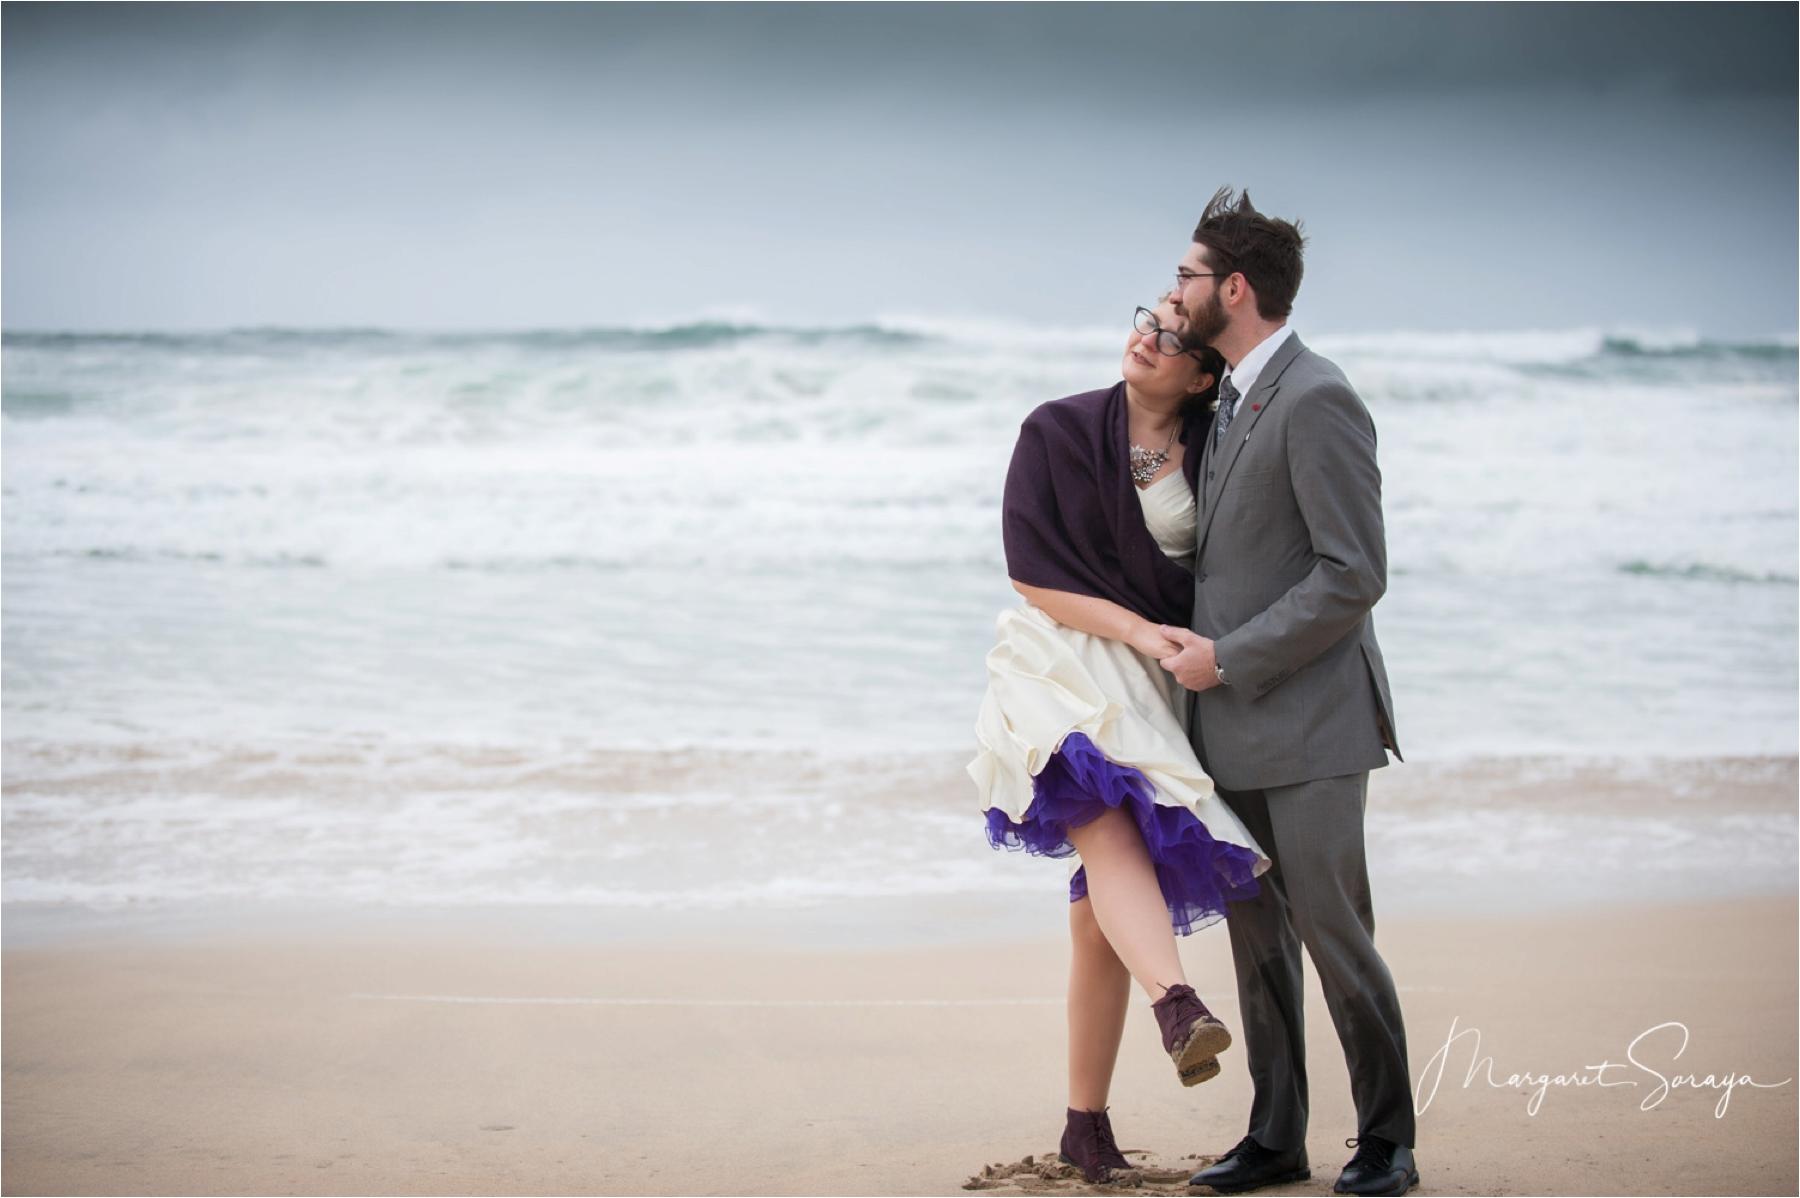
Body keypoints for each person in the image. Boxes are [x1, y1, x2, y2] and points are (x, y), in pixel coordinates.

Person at [968, 295, 1275, 1185]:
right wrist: (1141, 633)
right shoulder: (1056, 429)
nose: (1148, 335)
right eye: (1149, 318)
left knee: (1097, 924)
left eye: (1174, 336)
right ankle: (1176, 1003)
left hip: (1149, 687)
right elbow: (1032, 573)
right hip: (1055, 660)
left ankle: (1084, 1124)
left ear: (1205, 373)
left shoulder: (1214, 454)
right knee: (1100, 816)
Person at [1158, 187, 1418, 1197]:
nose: (1172, 289)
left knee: (1335, 935)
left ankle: (1387, 1140)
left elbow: (1353, 574)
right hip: (1225, 728)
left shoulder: (1317, 397)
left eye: (1185, 273)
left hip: (1311, 721)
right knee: (1258, 941)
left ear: (1235, 287)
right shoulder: (1222, 397)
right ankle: (1275, 1136)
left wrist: (1228, 658)